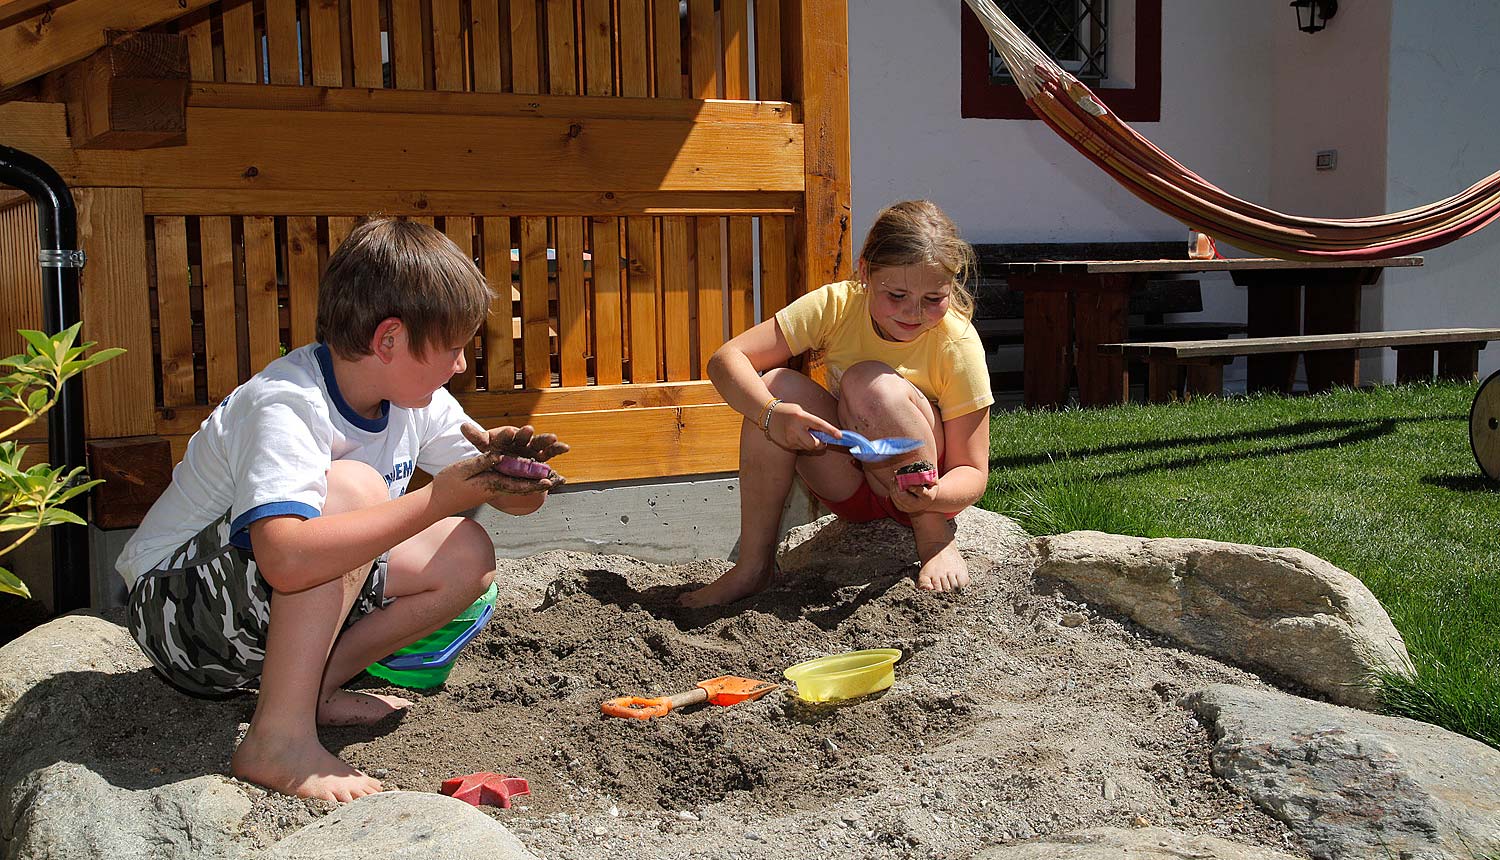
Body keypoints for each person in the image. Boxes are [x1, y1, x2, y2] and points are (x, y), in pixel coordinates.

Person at [116, 217, 568, 802]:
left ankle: (315, 691)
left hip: (252, 609)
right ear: (388, 340)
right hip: (175, 614)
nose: (460, 364)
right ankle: (277, 739)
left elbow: (514, 504)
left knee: (467, 554)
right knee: (355, 489)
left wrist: (515, 473)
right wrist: (438, 497)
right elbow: (283, 559)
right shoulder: (288, 403)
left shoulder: (417, 401)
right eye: (453, 348)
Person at [680, 200, 992, 608]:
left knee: (868, 382)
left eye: (933, 298)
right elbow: (726, 361)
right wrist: (771, 415)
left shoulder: (956, 343)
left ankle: (933, 538)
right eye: (897, 294)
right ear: (864, 273)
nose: (914, 312)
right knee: (775, 386)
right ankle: (753, 567)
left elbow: (972, 470)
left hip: (920, 498)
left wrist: (934, 499)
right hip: (849, 485)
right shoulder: (838, 305)